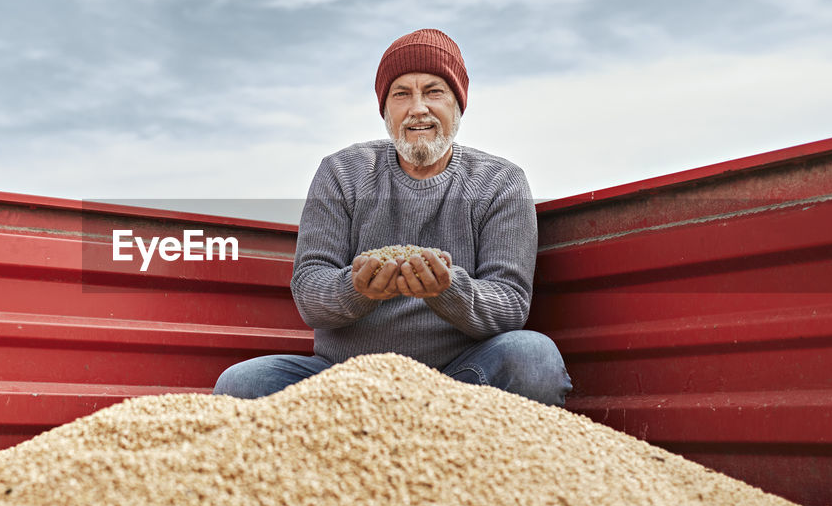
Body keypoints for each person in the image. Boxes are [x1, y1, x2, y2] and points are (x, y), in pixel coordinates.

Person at [213, 28, 571, 405]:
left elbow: (510, 303)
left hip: (461, 381)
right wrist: (358, 289)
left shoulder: (500, 182)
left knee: (534, 358)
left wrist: (448, 289)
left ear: (458, 104)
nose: (418, 108)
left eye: (434, 92)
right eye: (402, 94)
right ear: (384, 109)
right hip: (347, 384)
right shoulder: (342, 172)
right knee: (240, 383)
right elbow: (308, 290)